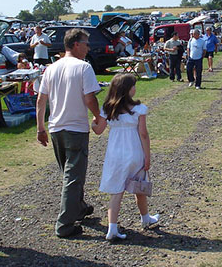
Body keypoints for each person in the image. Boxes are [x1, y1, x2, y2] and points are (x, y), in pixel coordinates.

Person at [36, 28, 102, 238]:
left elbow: (41, 100)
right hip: (75, 128)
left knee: (70, 173)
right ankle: (65, 224)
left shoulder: (51, 69)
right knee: (73, 176)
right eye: (86, 43)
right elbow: (89, 98)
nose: (88, 47)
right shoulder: (84, 67)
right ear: (75, 44)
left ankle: (79, 207)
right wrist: (98, 116)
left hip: (56, 128)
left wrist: (40, 127)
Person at [91, 74, 160, 240]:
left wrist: (93, 121)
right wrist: (147, 156)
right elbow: (143, 134)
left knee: (116, 191)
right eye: (133, 86)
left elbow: (98, 130)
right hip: (134, 151)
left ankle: (112, 228)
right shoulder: (139, 109)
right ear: (128, 90)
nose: (135, 89)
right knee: (139, 186)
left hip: (115, 153)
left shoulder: (108, 109)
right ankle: (145, 218)